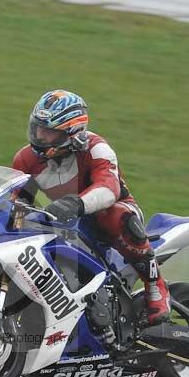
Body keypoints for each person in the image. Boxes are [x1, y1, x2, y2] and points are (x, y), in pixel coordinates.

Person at [12, 89, 170, 326]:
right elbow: (15, 199)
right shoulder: (26, 159)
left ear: (71, 133)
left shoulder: (96, 149)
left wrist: (77, 203)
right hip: (62, 220)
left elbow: (109, 189)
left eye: (49, 132)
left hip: (108, 214)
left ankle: (155, 288)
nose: (40, 136)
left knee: (115, 215)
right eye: (37, 128)